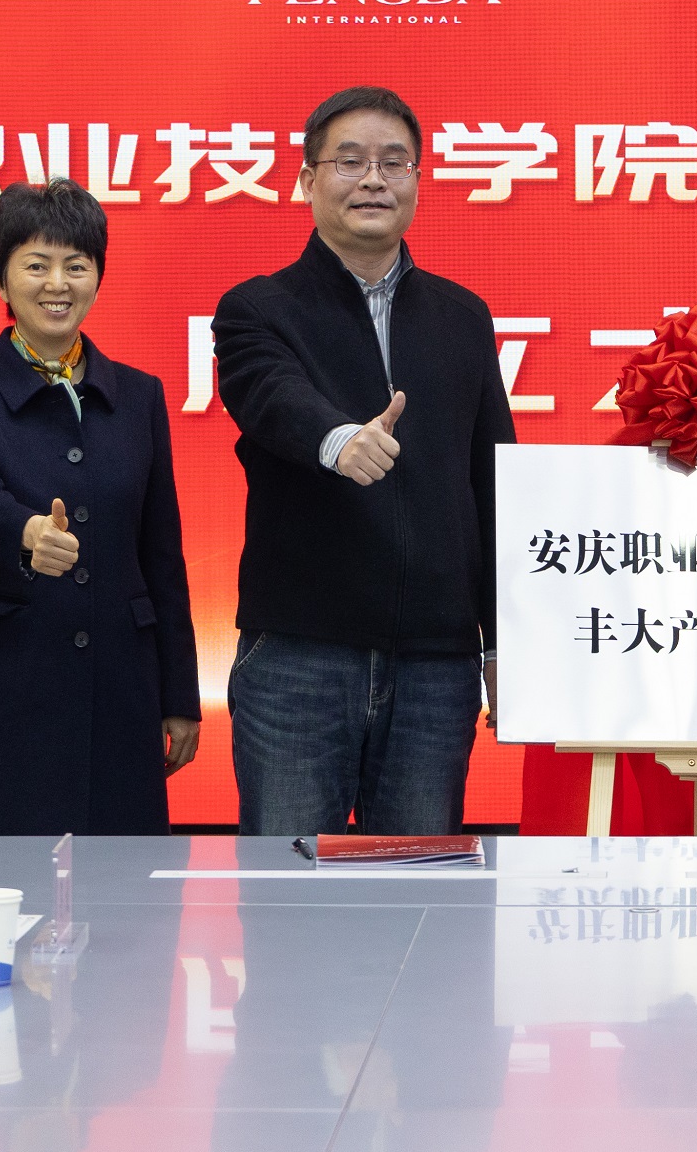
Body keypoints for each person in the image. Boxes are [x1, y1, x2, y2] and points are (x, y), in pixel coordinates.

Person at [212, 85, 515, 837]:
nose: (373, 179)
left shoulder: (463, 317)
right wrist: (338, 439)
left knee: (418, 890)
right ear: (306, 180)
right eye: (348, 161)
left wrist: (504, 642)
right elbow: (270, 395)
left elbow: (494, 485)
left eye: (393, 162)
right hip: (299, 656)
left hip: (435, 667)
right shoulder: (257, 308)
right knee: (287, 887)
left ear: (418, 179)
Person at [0, 181, 199, 833]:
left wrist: (179, 693)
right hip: (2, 682)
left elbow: (161, 552)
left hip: (120, 684)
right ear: (2, 279)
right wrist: (27, 531)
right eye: (36, 265)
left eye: (77, 265)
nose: (57, 284)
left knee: (120, 884)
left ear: (98, 276)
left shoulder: (140, 396)